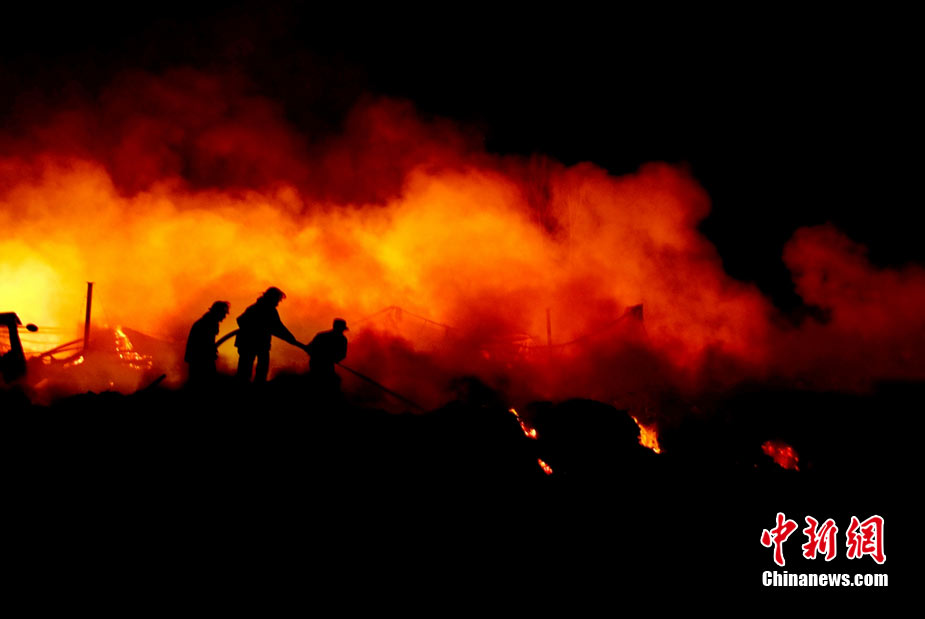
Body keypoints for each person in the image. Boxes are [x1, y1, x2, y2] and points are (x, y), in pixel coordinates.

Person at [234, 287, 306, 383]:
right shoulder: (266, 309)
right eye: (277, 300)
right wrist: (256, 329)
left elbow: (277, 327)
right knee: (248, 370)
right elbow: (240, 320)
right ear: (272, 298)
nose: (278, 303)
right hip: (249, 344)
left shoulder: (257, 307)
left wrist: (291, 339)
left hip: (258, 344)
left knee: (259, 367)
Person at [184, 301, 230, 385]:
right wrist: (211, 352)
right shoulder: (208, 323)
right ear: (217, 312)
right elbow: (203, 344)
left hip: (200, 358)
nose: (224, 316)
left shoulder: (208, 321)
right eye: (223, 313)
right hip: (200, 359)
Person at [305, 318, 348, 393]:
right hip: (321, 365)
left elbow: (309, 348)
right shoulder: (342, 339)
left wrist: (332, 358)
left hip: (319, 364)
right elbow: (342, 355)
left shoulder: (321, 336)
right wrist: (334, 359)